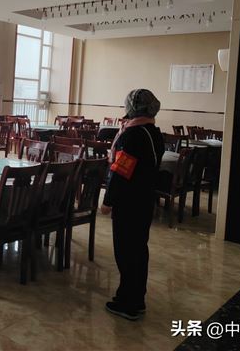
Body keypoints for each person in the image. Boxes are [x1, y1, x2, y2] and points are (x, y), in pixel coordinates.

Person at [100, 89, 165, 320]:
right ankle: (136, 297)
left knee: (126, 251)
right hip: (144, 199)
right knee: (138, 249)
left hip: (129, 202)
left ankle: (129, 303)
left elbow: (121, 171)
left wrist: (108, 201)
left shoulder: (133, 135)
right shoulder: (154, 132)